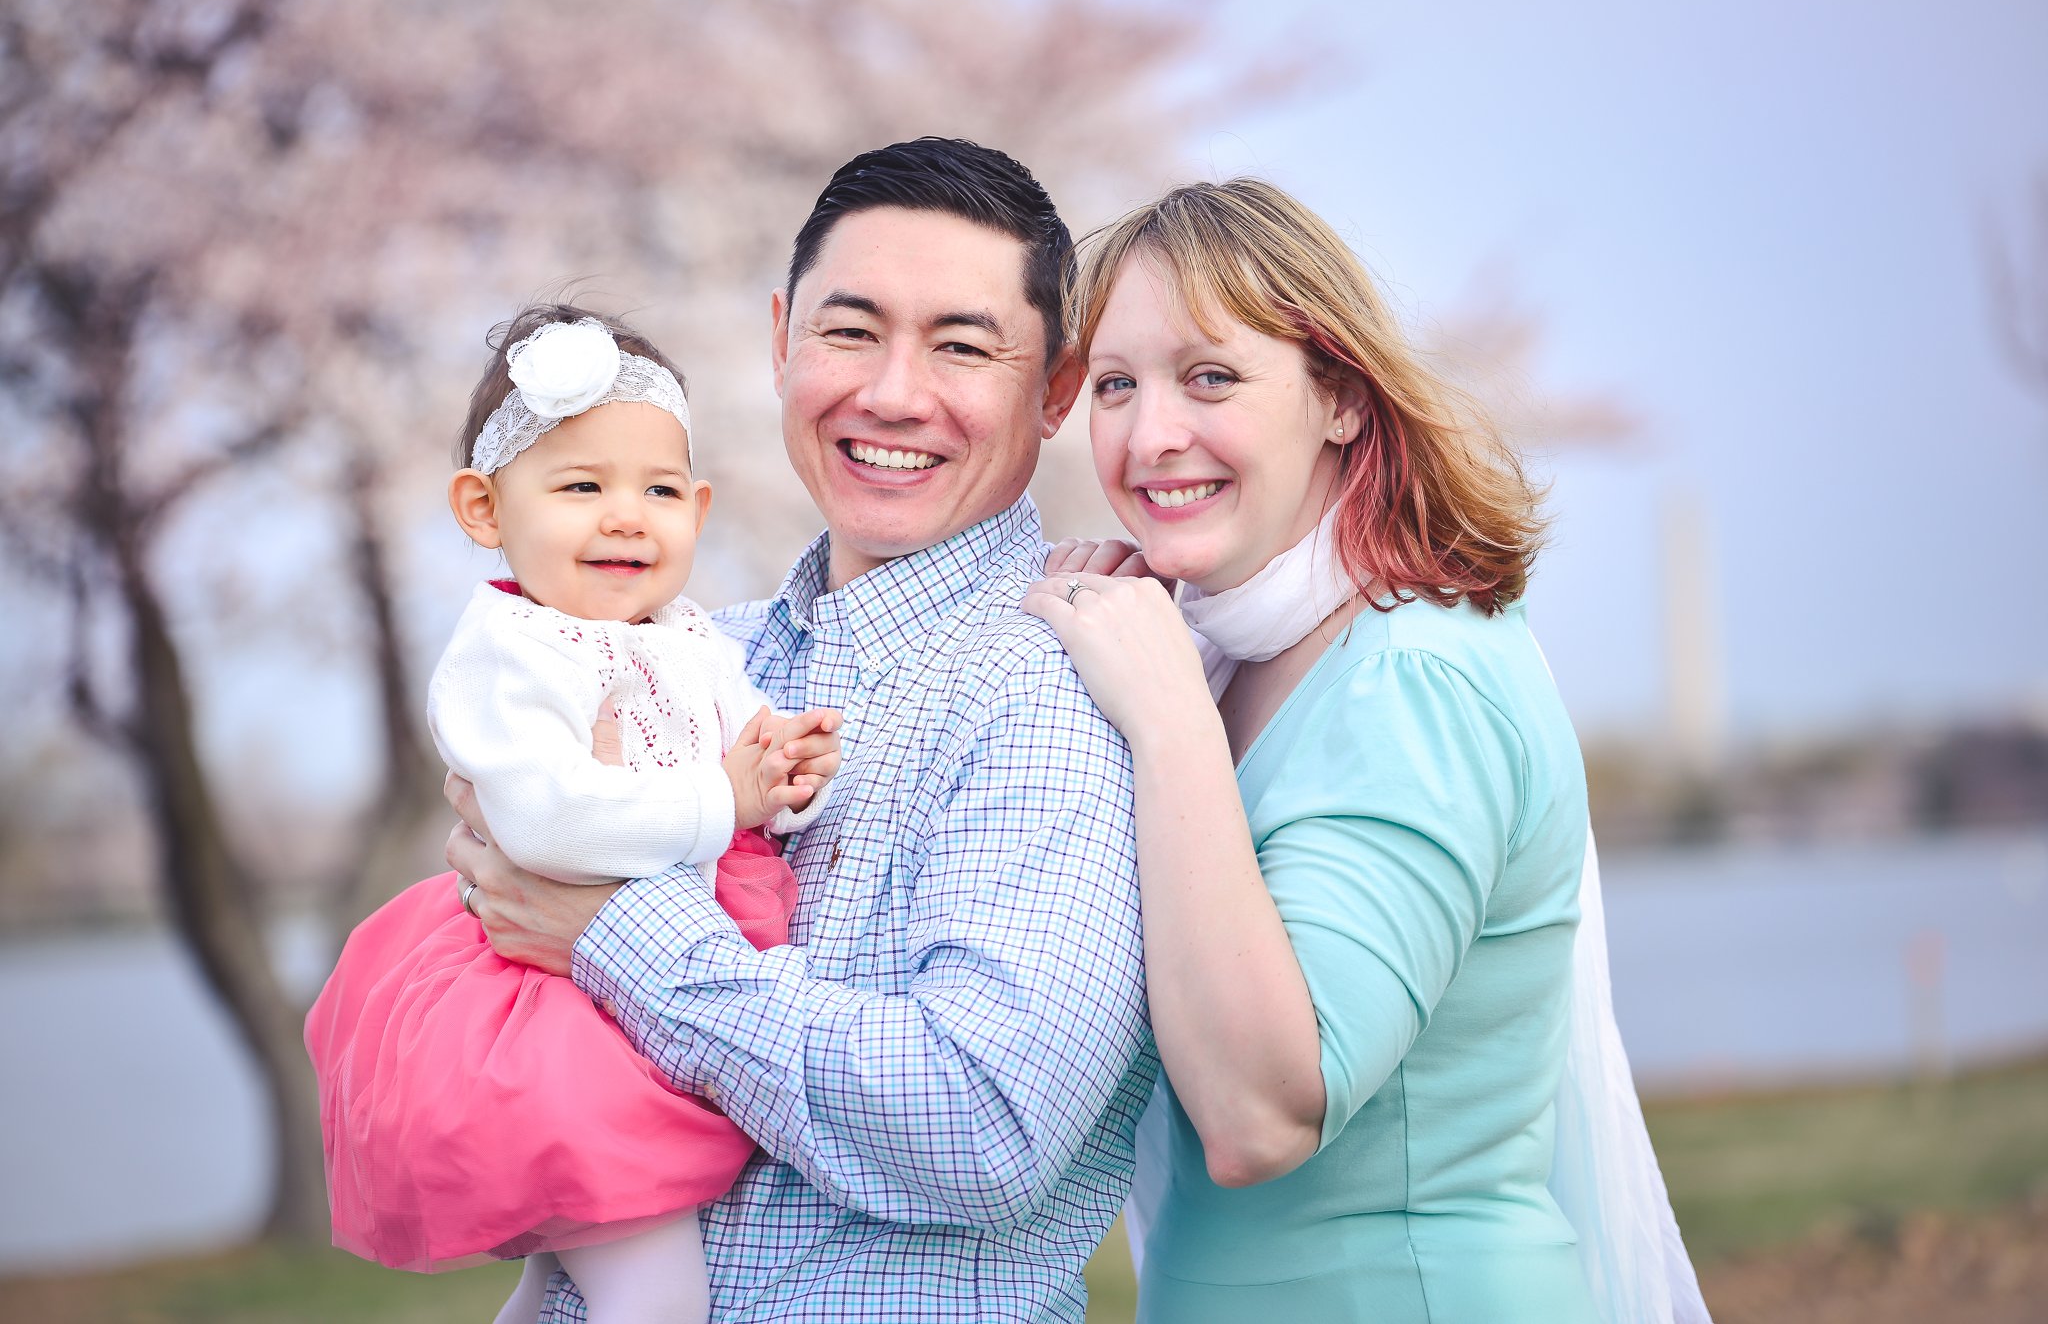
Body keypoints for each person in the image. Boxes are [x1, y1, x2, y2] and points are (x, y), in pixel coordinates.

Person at [444, 139, 1155, 1322]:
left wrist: (618, 930)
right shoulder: (696, 651)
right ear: (780, 339)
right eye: (849, 329)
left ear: (1056, 387)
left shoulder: (1056, 686)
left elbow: (982, 1121)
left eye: (963, 346)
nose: (889, 393)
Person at [1024, 179, 1709, 1322]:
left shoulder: (1414, 680)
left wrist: (1163, 719)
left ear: (1338, 396)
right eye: (1113, 385)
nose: (1150, 436)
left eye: (1210, 376)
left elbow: (1258, 1115)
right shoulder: (1222, 655)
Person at [304, 305, 843, 1324]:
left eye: (657, 489)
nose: (627, 514)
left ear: (699, 505)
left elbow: (738, 741)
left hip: (625, 997)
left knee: (562, 1276)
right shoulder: (512, 654)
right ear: (482, 507)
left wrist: (785, 759)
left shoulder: (683, 636)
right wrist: (720, 795)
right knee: (656, 1290)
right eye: (582, 485)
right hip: (546, 1013)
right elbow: (548, 820)